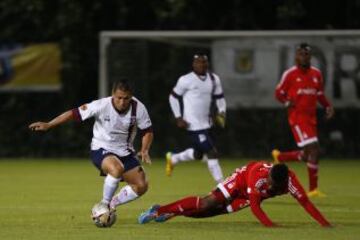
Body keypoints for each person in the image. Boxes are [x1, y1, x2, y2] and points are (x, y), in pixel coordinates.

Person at [29, 80, 153, 218]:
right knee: (116, 168)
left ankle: (112, 203)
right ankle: (103, 205)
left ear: (131, 96)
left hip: (125, 152)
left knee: (141, 185)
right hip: (101, 148)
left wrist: (145, 149)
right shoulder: (101, 105)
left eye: (126, 98)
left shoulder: (139, 108)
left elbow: (147, 131)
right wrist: (49, 124)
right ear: (113, 95)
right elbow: (73, 113)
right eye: (119, 98)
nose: (122, 102)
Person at [138, 161, 331, 228]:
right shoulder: (259, 176)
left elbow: (305, 202)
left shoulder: (290, 181)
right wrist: (270, 226)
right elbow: (256, 207)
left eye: (274, 185)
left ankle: (172, 213)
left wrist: (325, 224)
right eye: (270, 182)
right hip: (240, 181)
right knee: (207, 203)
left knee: (209, 213)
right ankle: (158, 210)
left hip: (247, 196)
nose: (270, 186)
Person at [272, 43, 335, 197]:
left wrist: (328, 106)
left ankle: (280, 157)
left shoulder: (316, 74)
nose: (304, 57)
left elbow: (319, 93)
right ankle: (313, 190)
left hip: (311, 118)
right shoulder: (290, 74)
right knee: (314, 149)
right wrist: (287, 101)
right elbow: (279, 92)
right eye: (301, 54)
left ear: (310, 56)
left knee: (308, 154)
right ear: (296, 56)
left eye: (306, 54)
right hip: (297, 118)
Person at [166, 54, 226, 183]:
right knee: (212, 152)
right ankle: (222, 186)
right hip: (192, 125)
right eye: (198, 62)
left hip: (207, 124)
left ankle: (173, 159)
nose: (201, 65)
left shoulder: (214, 79)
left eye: (204, 62)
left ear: (207, 64)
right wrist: (178, 117)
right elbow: (173, 97)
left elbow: (220, 98)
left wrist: (222, 112)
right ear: (193, 64)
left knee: (198, 154)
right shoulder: (186, 79)